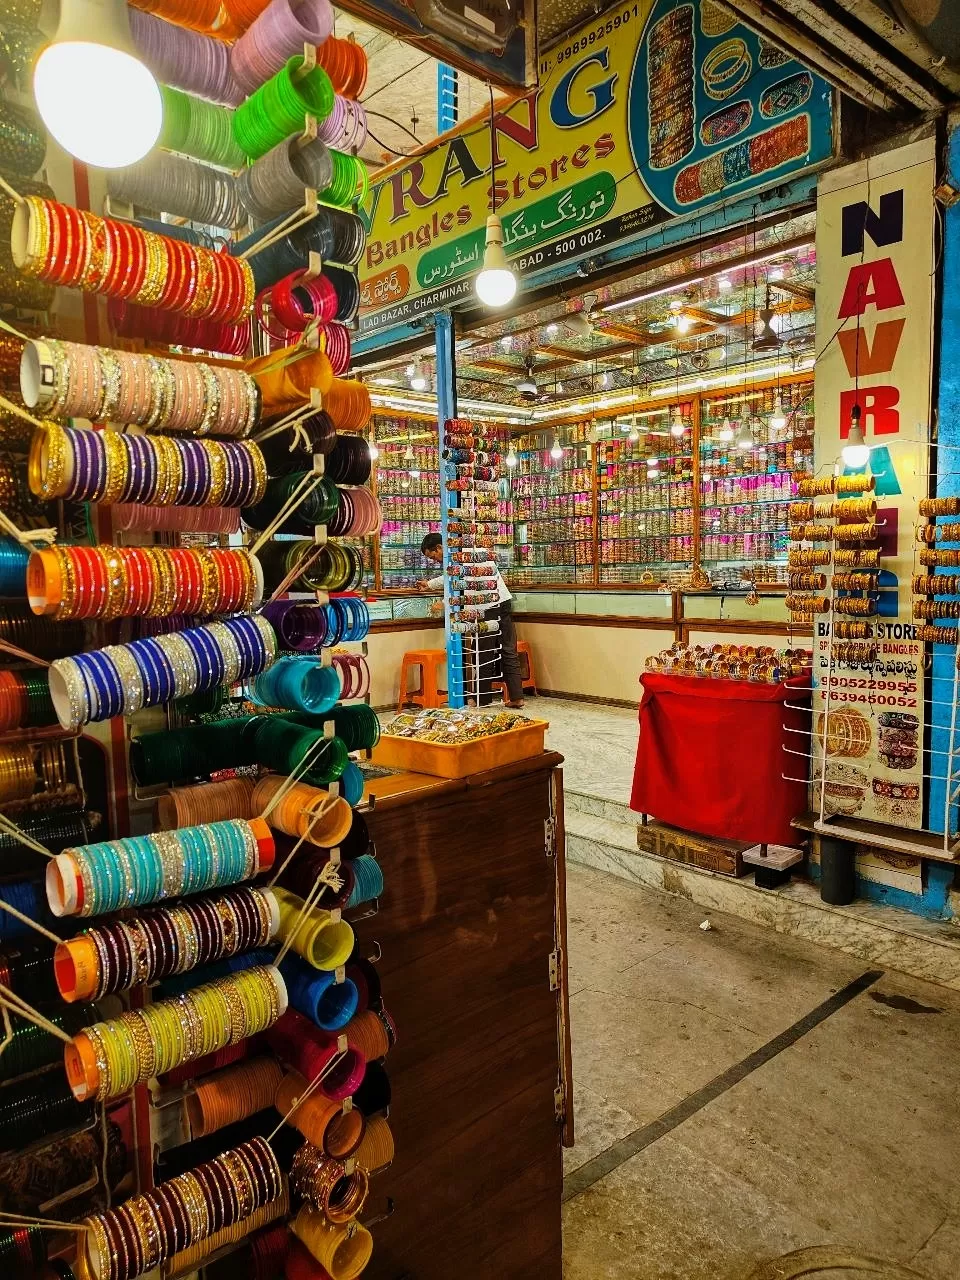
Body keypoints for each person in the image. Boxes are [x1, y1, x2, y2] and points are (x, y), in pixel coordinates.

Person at [418, 532, 525, 708]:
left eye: (433, 556)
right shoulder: (466, 551)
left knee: (483, 654)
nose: (434, 560)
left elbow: (465, 582)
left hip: (487, 606)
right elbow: (454, 575)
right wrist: (429, 584)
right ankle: (517, 697)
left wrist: (444, 603)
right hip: (503, 601)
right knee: (508, 650)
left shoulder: (462, 557)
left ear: (439, 547)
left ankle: (482, 699)